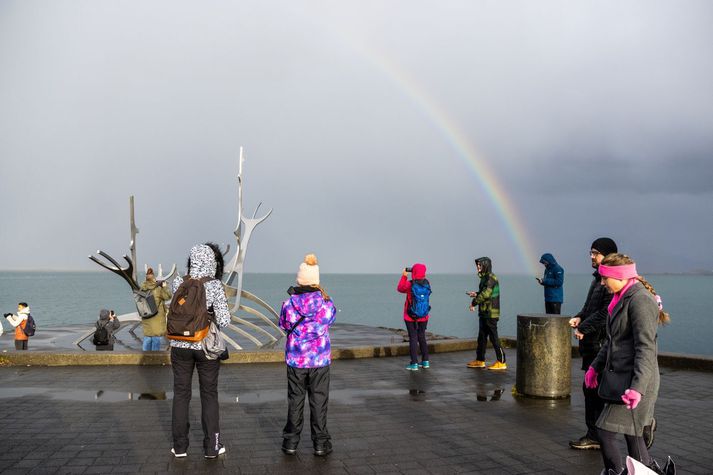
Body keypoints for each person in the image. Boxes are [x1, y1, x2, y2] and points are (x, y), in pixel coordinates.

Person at [585, 254, 669, 473]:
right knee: (633, 435)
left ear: (619, 276)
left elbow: (646, 348)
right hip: (623, 381)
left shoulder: (640, 300)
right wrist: (595, 366)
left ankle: (614, 472)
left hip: (636, 385)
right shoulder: (620, 299)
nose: (602, 283)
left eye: (605, 278)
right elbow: (613, 341)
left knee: (604, 431)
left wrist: (637, 389)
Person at [169, 243, 230, 459]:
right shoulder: (214, 285)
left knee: (181, 394)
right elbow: (225, 320)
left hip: (178, 346)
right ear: (211, 261)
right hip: (205, 346)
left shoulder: (178, 281)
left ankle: (179, 447)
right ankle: (212, 447)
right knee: (209, 395)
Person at [279, 254, 336, 457]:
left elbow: (284, 325)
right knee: (319, 400)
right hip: (319, 361)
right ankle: (320, 443)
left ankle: (291, 442)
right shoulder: (326, 304)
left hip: (296, 360)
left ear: (299, 279)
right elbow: (330, 319)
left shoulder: (288, 304)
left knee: (295, 399)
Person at [567, 237, 617, 450]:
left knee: (595, 390)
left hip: (599, 344)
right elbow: (589, 307)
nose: (591, 256)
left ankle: (596, 435)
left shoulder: (608, 281)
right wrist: (579, 316)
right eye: (591, 252)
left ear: (607, 255)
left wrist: (583, 328)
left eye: (595, 253)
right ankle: (596, 434)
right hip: (591, 344)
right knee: (592, 390)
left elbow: (606, 311)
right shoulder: (597, 279)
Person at [466, 257, 506, 370]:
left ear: (486, 265)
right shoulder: (485, 278)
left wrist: (474, 303)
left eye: (480, 265)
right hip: (484, 312)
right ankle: (480, 360)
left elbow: (486, 294)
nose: (478, 267)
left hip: (491, 313)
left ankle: (502, 361)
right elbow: (484, 292)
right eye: (477, 265)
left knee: (494, 338)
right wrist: (476, 293)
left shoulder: (490, 277)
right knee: (482, 338)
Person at [397, 263, 431, 370]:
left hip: (410, 316)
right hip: (424, 316)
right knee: (422, 337)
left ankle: (414, 363)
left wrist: (404, 275)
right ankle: (425, 361)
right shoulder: (427, 284)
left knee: (413, 338)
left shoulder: (410, 284)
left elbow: (399, 288)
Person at [139, 267, 172, 351]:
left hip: (146, 316)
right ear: (153, 277)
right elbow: (168, 296)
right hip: (157, 317)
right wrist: (164, 287)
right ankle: (154, 359)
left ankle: (145, 358)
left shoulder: (142, 287)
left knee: (147, 338)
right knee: (156, 339)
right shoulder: (158, 288)